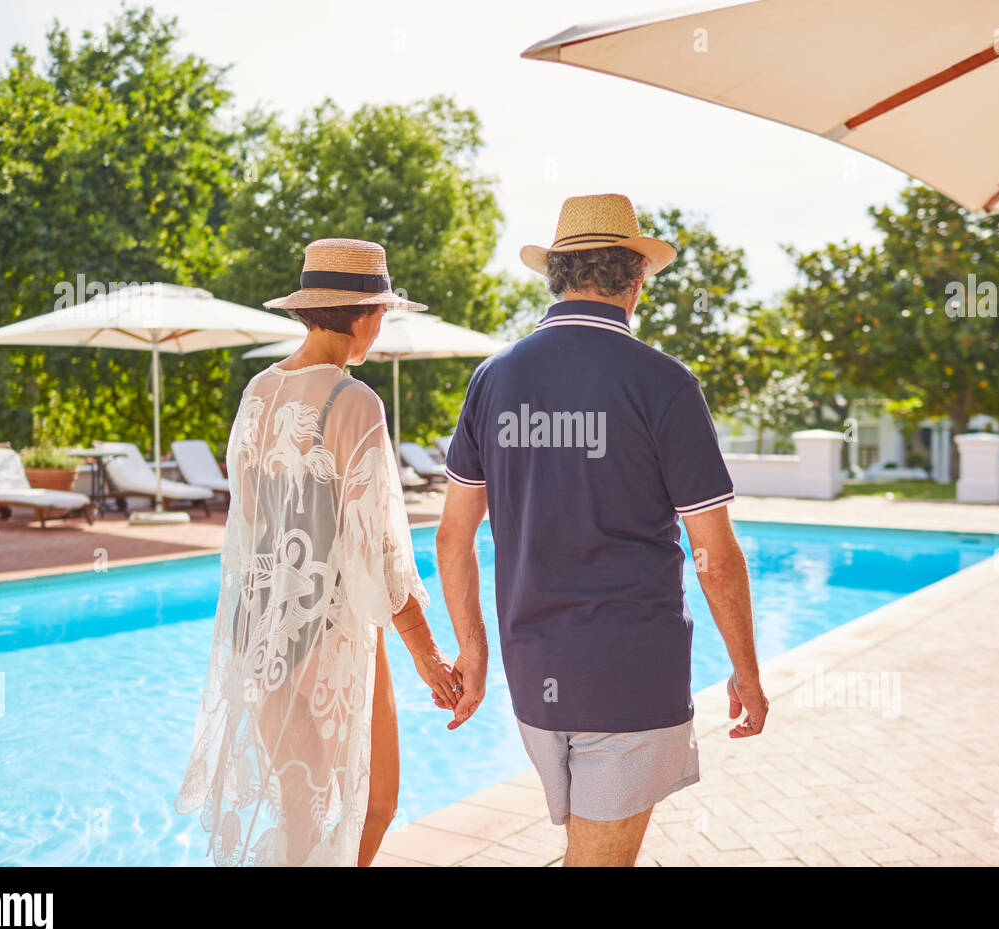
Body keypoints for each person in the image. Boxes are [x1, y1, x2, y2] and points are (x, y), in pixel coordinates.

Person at [436, 193, 770, 867]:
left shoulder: (492, 379)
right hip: (629, 677)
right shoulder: (664, 383)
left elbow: (452, 537)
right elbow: (715, 555)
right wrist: (746, 669)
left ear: (556, 275)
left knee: (585, 849)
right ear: (636, 281)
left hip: (534, 679)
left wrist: (472, 651)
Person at [176, 238, 460, 867]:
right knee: (374, 801)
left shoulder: (257, 390)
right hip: (330, 621)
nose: (381, 327)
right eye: (381, 313)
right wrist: (429, 656)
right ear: (359, 313)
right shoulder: (354, 401)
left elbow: (246, 518)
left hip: (260, 624)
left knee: (303, 809)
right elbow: (380, 546)